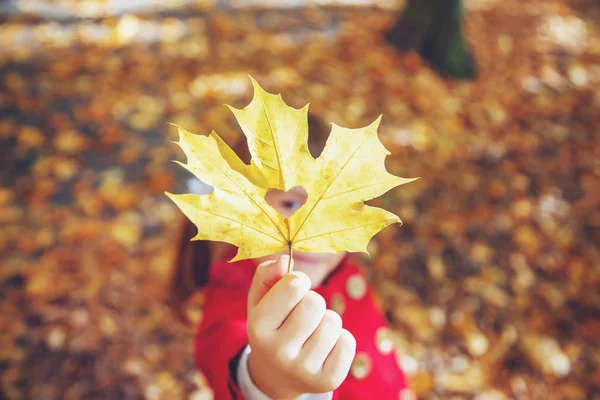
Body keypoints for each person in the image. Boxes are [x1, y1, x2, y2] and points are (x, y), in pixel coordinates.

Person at [169, 114, 414, 399]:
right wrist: (271, 381)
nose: (315, 230)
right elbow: (238, 364)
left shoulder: (342, 270)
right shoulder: (232, 298)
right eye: (289, 204)